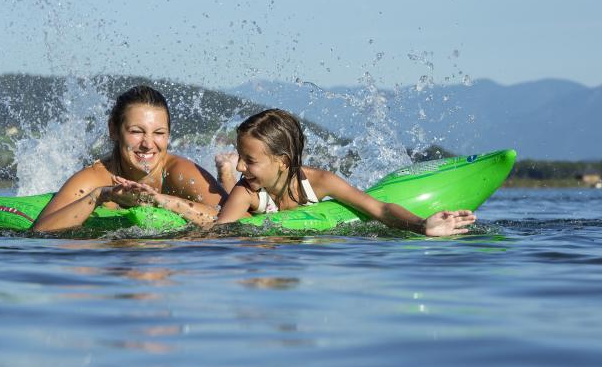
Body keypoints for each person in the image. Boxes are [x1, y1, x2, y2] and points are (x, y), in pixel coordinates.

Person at [213, 109, 476, 236]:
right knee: (229, 196)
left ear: (282, 161)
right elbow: (221, 233)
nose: (241, 167)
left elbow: (380, 209)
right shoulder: (246, 188)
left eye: (249, 160)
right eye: (239, 158)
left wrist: (421, 225)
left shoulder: (320, 181)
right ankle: (222, 169)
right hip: (254, 203)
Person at [33, 85, 227, 232]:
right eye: (136, 131)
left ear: (168, 135)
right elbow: (41, 231)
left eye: (159, 133)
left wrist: (164, 201)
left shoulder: (179, 173)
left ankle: (226, 171)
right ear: (113, 131)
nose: (148, 144)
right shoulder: (94, 179)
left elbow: (239, 217)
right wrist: (101, 195)